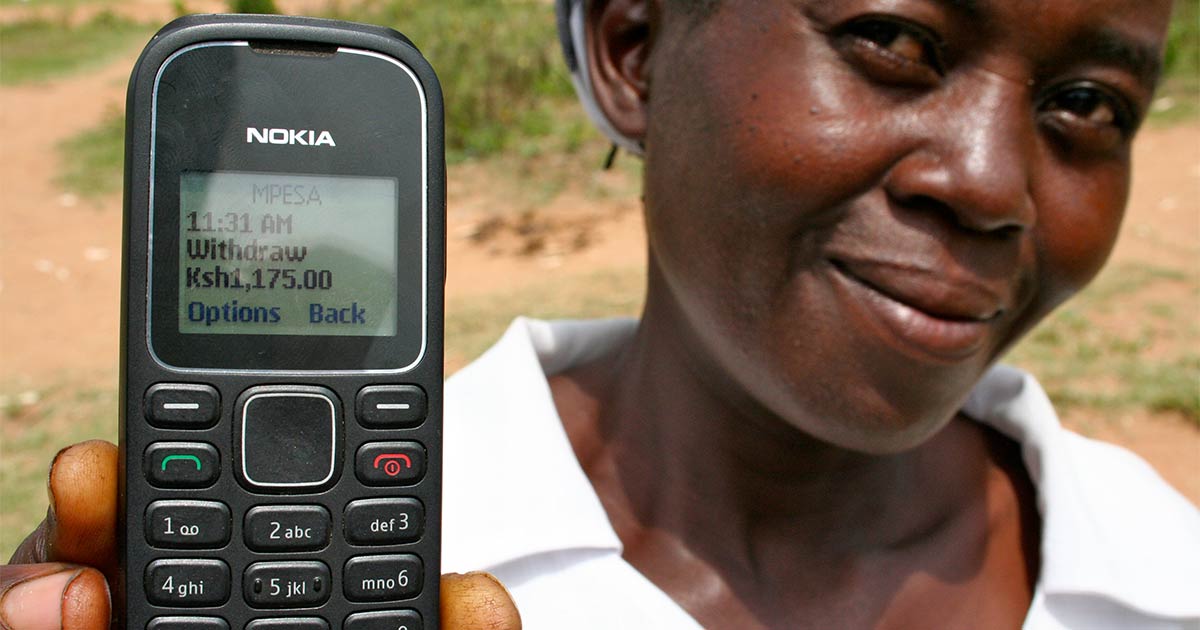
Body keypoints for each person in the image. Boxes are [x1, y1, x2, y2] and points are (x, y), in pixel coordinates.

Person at [4, 0, 1198, 628]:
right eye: (891, 39)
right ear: (632, 50)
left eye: (1090, 103)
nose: (992, 182)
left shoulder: (1164, 569)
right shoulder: (425, 531)